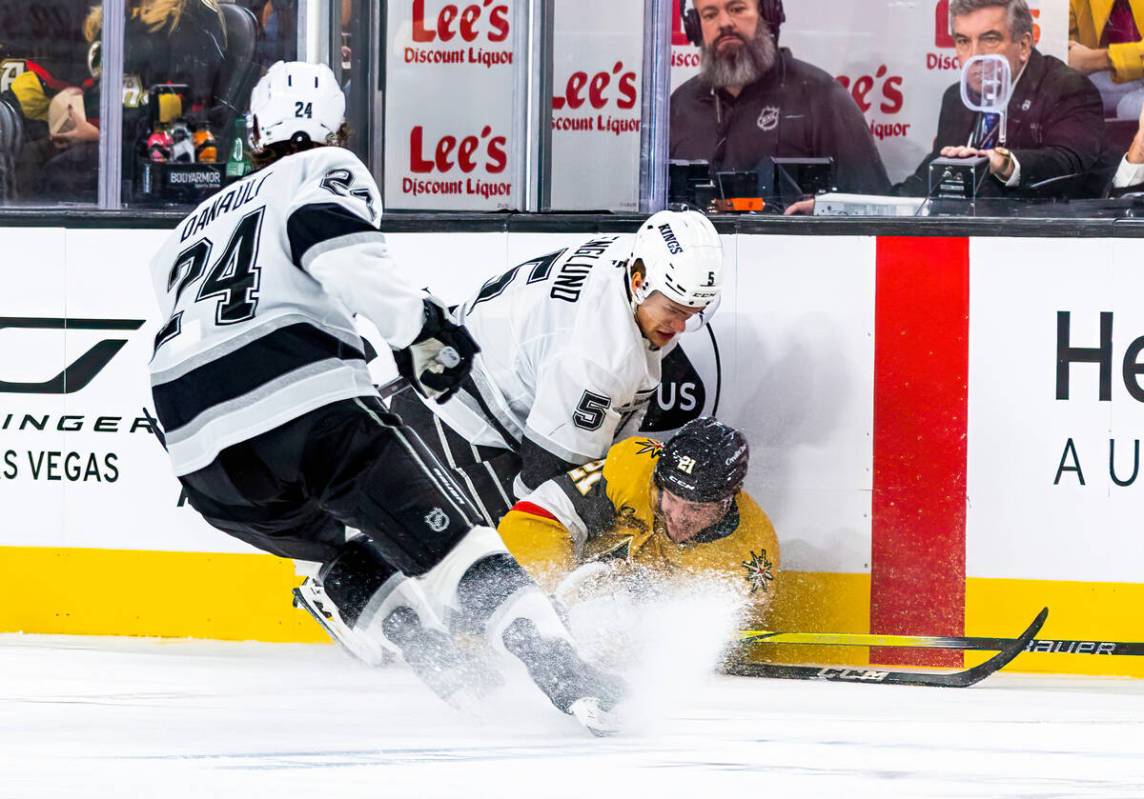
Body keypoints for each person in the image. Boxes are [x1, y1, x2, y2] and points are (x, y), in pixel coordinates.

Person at [147, 61, 622, 735]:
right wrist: (421, 330)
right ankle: (567, 675)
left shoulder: (185, 228)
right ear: (338, 128)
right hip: (302, 406)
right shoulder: (321, 170)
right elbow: (333, 246)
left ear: (253, 131)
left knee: (340, 548)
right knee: (454, 547)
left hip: (198, 455)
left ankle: (446, 669)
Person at [389, 208, 724, 529]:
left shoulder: (631, 255)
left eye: (693, 313)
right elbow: (546, 488)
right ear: (639, 283)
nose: (681, 326)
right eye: (673, 311)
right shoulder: (598, 358)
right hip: (449, 420)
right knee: (488, 560)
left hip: (447, 368)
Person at [498, 419, 780, 616]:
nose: (679, 517)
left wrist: (640, 625)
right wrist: (548, 594)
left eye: (695, 508)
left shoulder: (750, 558)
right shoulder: (634, 467)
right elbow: (537, 516)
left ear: (728, 499)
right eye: (671, 498)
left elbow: (719, 642)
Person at [669, 0, 891, 206]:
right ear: (696, 28)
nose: (724, 23)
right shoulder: (679, 107)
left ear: (768, 13)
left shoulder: (822, 97)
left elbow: (873, 208)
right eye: (710, 15)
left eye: (737, 9)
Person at [897, 0, 1111, 200]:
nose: (974, 55)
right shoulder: (956, 97)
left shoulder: (1067, 88)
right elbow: (935, 175)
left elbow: (1068, 164)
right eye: (963, 41)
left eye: (990, 39)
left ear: (1024, 45)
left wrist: (1004, 163)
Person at [1069, 0, 1144, 119]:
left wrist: (1093, 60)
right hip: (1123, 76)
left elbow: (1087, 61)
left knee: (1130, 109)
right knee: (1070, 96)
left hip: (1123, 72)